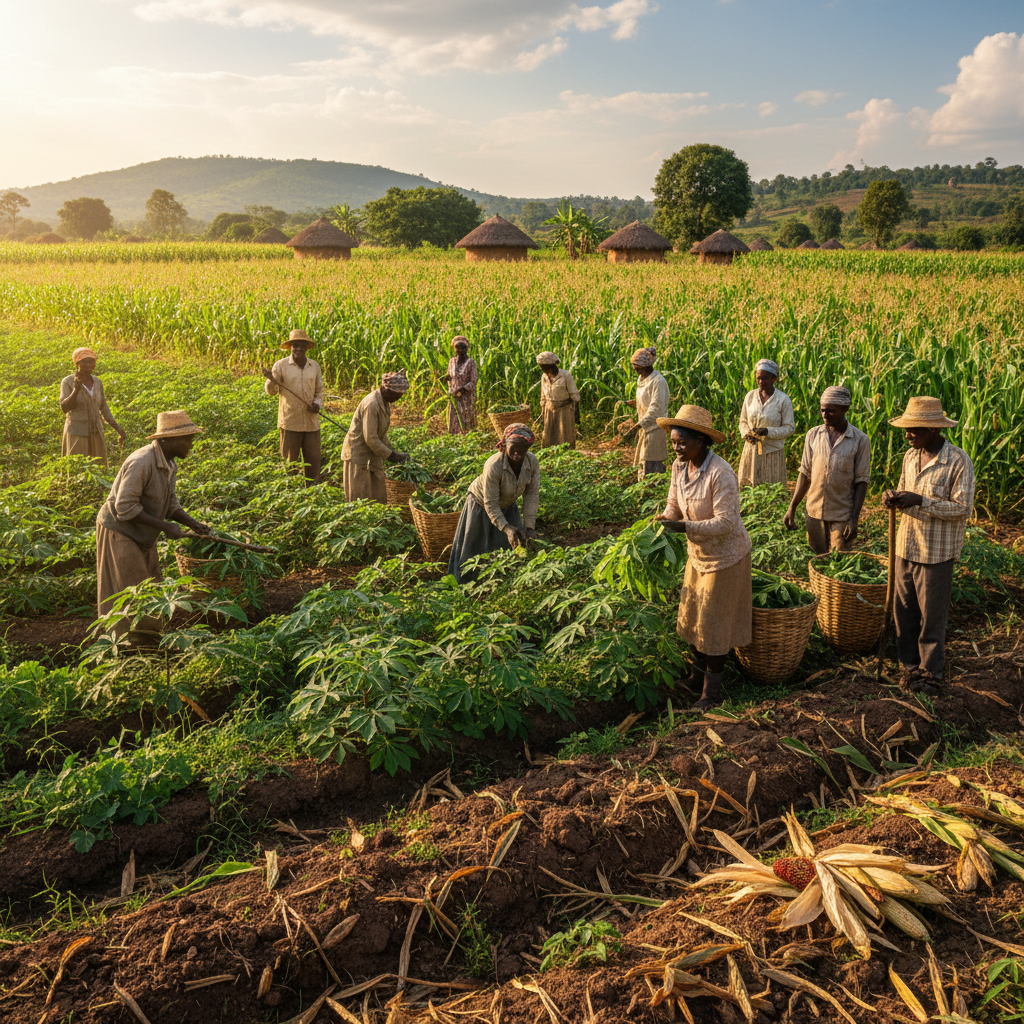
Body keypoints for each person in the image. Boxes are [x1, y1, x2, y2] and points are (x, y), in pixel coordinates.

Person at [654, 405, 752, 710]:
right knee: (695, 617)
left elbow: (727, 522)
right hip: (697, 554)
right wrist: (664, 519)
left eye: (682, 443)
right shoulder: (678, 468)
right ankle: (696, 678)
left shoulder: (721, 472)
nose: (677, 448)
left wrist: (684, 526)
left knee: (714, 625)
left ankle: (712, 693)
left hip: (726, 557)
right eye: (673, 443)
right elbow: (674, 505)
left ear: (700, 441)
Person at [882, 397, 975, 696]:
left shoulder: (958, 461)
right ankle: (908, 667)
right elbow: (902, 488)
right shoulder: (911, 457)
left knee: (932, 617)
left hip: (935, 552)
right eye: (907, 429)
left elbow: (963, 508)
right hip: (905, 545)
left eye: (914, 430)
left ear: (933, 430)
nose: (907, 434)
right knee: (904, 611)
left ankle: (930, 672)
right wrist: (893, 497)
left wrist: (922, 501)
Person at [95, 411, 209, 643]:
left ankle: (148, 639)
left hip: (143, 533)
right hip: (120, 530)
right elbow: (124, 507)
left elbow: (170, 503)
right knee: (129, 588)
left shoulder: (169, 463)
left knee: (150, 587)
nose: (190, 444)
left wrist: (193, 524)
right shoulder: (142, 461)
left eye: (190, 439)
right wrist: (165, 527)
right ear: (165, 440)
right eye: (185, 439)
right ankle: (126, 643)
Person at [447, 423, 540, 584]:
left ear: (528, 448)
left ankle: (504, 583)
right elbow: (490, 503)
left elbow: (531, 494)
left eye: (522, 449)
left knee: (513, 545)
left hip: (508, 504)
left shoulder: (531, 462)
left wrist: (529, 527)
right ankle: (466, 586)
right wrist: (506, 527)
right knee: (473, 550)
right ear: (505, 445)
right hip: (480, 505)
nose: (517, 453)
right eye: (513, 448)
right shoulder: (494, 464)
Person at [784, 386, 870, 554]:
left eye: (831, 411)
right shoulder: (813, 435)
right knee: (818, 558)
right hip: (814, 512)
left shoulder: (860, 440)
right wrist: (792, 507)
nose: (825, 415)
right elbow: (805, 473)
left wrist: (854, 519)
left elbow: (862, 481)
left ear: (845, 409)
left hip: (842, 513)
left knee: (838, 559)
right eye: (823, 410)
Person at [262, 329, 324, 484]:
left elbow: (319, 390)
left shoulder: (314, 366)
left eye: (302, 345)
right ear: (290, 347)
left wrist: (317, 404)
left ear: (306, 347)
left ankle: (311, 492)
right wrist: (271, 379)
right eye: (295, 345)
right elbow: (271, 392)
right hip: (290, 422)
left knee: (313, 462)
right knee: (291, 464)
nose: (298, 349)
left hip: (311, 423)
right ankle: (291, 495)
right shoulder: (280, 366)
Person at [341, 371, 410, 502]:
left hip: (371, 455)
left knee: (377, 497)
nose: (399, 397)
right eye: (397, 393)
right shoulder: (372, 404)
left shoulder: (384, 402)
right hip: (359, 456)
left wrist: (393, 452)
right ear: (386, 389)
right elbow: (371, 438)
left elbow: (381, 434)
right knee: (361, 499)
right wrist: (391, 456)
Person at [59, 347, 125, 466]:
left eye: (91, 362)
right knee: (77, 466)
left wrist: (118, 428)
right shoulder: (68, 382)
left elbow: (103, 407)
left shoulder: (97, 382)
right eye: (85, 362)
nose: (89, 365)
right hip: (77, 430)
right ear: (77, 364)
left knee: (98, 466)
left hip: (96, 431)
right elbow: (65, 407)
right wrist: (76, 391)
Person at [737, 358, 794, 488]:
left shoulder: (783, 400)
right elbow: (743, 421)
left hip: (772, 452)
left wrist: (768, 431)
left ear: (774, 379)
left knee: (772, 489)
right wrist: (747, 434)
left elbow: (789, 428)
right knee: (749, 489)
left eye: (765, 378)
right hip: (751, 451)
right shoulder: (750, 397)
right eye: (758, 378)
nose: (761, 381)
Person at [622, 347, 670, 481]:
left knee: (652, 461)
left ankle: (652, 492)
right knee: (643, 460)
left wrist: (638, 425)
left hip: (654, 428)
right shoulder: (642, 378)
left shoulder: (658, 381)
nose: (635, 370)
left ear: (647, 366)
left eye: (637, 367)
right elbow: (647, 398)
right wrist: (634, 402)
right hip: (644, 427)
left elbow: (656, 408)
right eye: (634, 367)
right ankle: (644, 489)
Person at [537, 350, 580, 449]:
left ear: (551, 365)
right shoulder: (544, 377)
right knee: (549, 435)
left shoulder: (566, 375)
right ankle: (550, 454)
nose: (541, 368)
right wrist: (543, 410)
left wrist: (576, 414)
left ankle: (567, 455)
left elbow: (575, 396)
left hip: (564, 410)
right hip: (549, 409)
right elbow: (543, 395)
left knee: (565, 435)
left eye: (543, 366)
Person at [441, 336, 478, 434]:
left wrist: (462, 390)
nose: (460, 350)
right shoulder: (451, 361)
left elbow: (473, 381)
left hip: (466, 396)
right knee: (453, 418)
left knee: (465, 418)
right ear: (454, 348)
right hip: (453, 395)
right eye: (457, 348)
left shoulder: (471, 363)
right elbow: (450, 376)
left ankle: (467, 436)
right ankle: (453, 436)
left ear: (467, 349)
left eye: (463, 348)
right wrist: (443, 379)